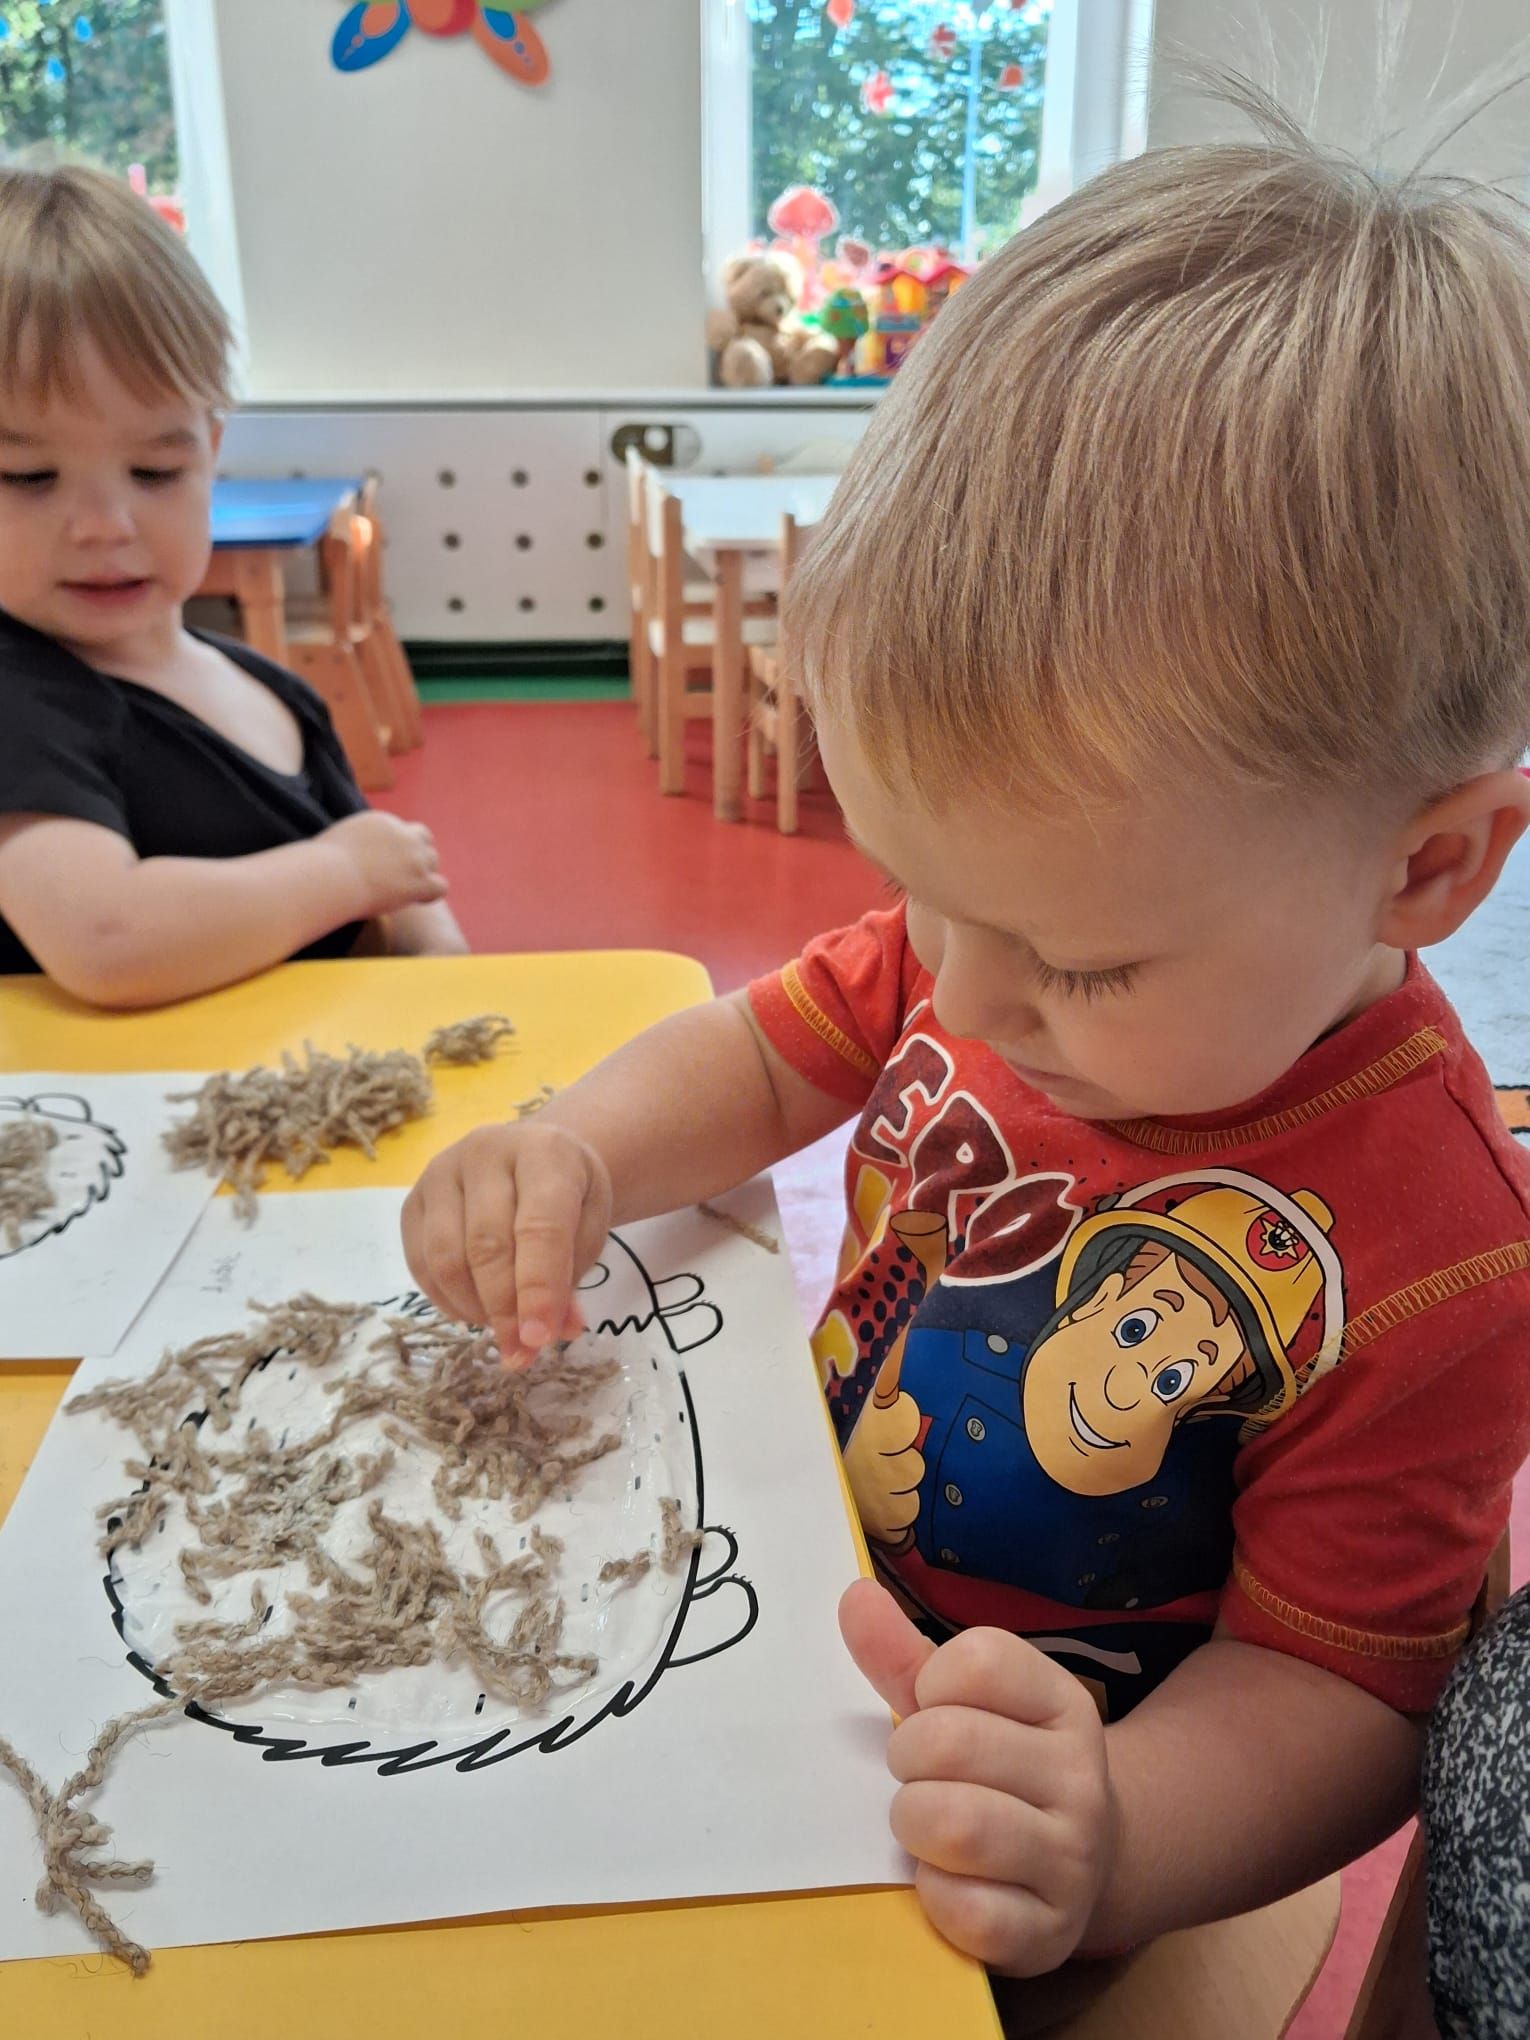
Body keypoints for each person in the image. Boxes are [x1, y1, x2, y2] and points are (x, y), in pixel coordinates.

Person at [401, 103, 1530, 1978]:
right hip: (789, 1600)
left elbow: (1340, 1691)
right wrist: (579, 1148)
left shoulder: (1439, 1259)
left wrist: (1114, 1834)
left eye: (1082, 970)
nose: (969, 998)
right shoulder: (1006, 929)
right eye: (921, 894)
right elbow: (763, 1052)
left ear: (1425, 867)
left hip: (1045, 1832)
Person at [0, 165, 464, 1008]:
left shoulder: (275, 691)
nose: (105, 525)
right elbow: (106, 939)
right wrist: (343, 873)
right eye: (28, 477)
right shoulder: (18, 700)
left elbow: (386, 877)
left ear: (210, 453)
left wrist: (430, 941)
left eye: (155, 470)